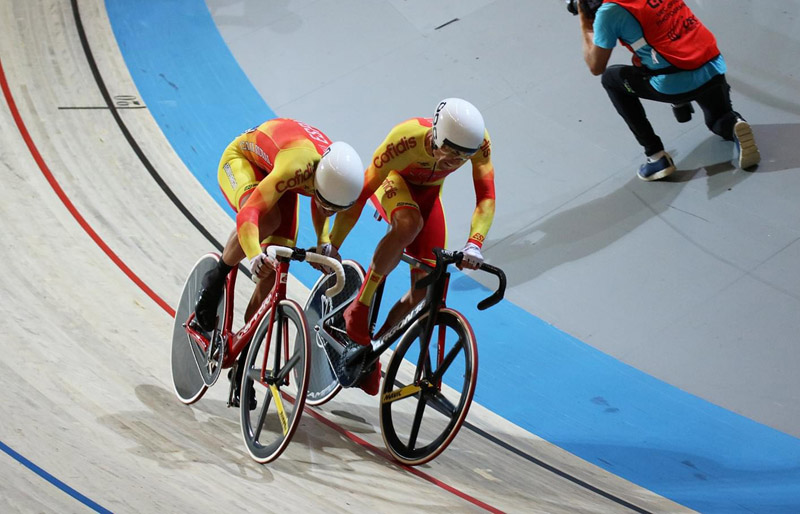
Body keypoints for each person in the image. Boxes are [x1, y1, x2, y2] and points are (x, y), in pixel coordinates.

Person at [327, 98, 496, 396]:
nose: (454, 162)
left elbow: (486, 197)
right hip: (391, 183)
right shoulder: (404, 140)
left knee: (425, 290)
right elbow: (363, 191)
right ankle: (360, 307)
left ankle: (371, 353)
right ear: (435, 134)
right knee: (408, 223)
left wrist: (474, 244)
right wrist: (333, 244)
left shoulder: (480, 144)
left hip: (428, 195)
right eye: (450, 152)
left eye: (462, 157)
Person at [192, 118, 364, 407]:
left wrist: (324, 241)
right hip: (243, 162)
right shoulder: (298, 167)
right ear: (317, 178)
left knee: (274, 271)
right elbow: (250, 215)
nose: (329, 209)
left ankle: (241, 365)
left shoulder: (333, 180)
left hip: (282, 177)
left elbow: (321, 202)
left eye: (337, 208)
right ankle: (215, 279)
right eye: (326, 202)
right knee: (268, 218)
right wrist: (253, 254)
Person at [578, 0, 760, 181]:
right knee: (717, 120)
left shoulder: (610, 12)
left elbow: (596, 66)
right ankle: (734, 124)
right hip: (712, 66)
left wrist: (585, 25)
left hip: (673, 82)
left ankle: (656, 156)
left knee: (611, 79)